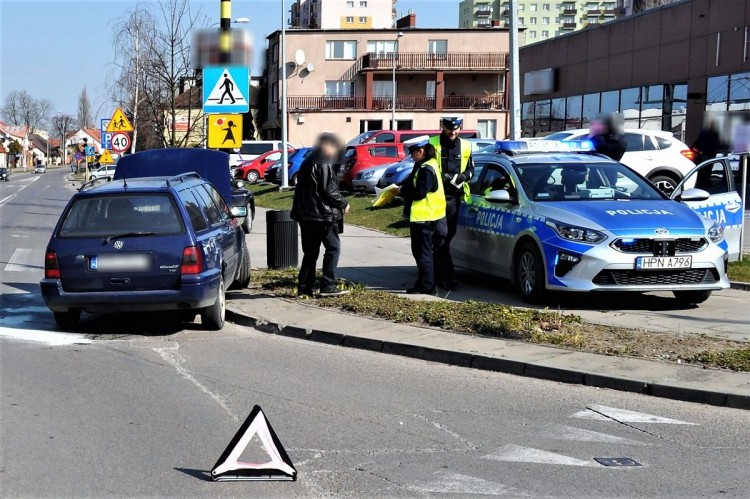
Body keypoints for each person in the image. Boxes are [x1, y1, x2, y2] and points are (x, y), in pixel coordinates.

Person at [291, 133, 350, 298]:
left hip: (306, 214)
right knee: (333, 248)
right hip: (322, 215)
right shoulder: (323, 161)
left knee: (310, 252)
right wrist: (344, 203)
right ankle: (328, 285)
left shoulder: (307, 161)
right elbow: (329, 190)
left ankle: (304, 287)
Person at [429, 116, 474, 289]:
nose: (453, 132)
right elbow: (427, 166)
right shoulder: (432, 143)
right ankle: (445, 277)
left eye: (456, 129)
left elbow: (471, 169)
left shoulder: (466, 145)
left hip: (455, 198)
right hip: (436, 197)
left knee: (446, 238)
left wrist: (463, 177)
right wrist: (443, 177)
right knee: (440, 237)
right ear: (443, 126)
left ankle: (437, 274)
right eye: (450, 128)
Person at [398, 138, 446, 295]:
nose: (411, 157)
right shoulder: (427, 165)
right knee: (421, 252)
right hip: (428, 216)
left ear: (421, 151)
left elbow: (419, 192)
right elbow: (412, 182)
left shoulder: (426, 169)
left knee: (423, 253)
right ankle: (424, 283)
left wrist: (402, 192)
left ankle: (426, 286)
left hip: (425, 217)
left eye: (412, 153)